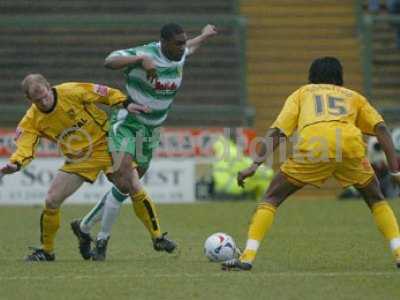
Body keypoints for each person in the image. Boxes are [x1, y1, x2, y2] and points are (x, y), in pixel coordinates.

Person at [221, 57, 400, 271]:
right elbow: (381, 130)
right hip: (349, 146)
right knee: (376, 199)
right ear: (339, 77)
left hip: (315, 146)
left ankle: (248, 256)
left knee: (272, 198)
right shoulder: (354, 97)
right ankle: (398, 253)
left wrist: (255, 165)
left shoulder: (302, 93)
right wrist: (395, 171)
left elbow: (278, 132)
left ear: (311, 77)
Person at [72, 23, 218, 260]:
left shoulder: (179, 54)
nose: (183, 47)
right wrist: (140, 59)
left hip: (151, 132)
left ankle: (85, 227)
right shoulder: (147, 54)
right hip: (127, 125)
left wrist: (204, 35)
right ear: (163, 43)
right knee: (125, 179)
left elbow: (191, 46)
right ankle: (103, 240)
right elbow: (109, 60)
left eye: (183, 42)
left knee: (124, 188)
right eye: (178, 43)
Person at [0, 74, 148, 261]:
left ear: (49, 87)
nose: (44, 102)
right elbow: (25, 145)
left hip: (106, 143)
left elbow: (103, 92)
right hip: (79, 158)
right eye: (38, 100)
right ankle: (47, 251)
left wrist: (124, 102)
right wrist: (16, 163)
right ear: (29, 100)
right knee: (52, 200)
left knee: (128, 185)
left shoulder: (71, 91)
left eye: (45, 96)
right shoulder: (31, 120)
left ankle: (154, 236)